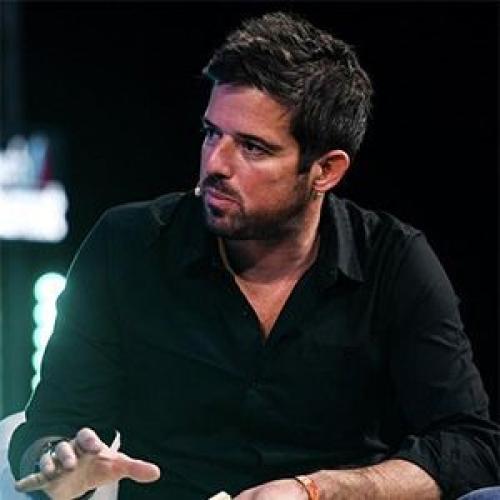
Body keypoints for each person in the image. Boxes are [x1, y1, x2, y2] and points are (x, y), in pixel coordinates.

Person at [8, 11, 500, 500]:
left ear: (326, 171)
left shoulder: (393, 262)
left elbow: (472, 447)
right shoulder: (127, 245)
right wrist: (57, 466)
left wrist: (316, 491)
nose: (215, 163)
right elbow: (49, 427)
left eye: (252, 147)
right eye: (211, 133)